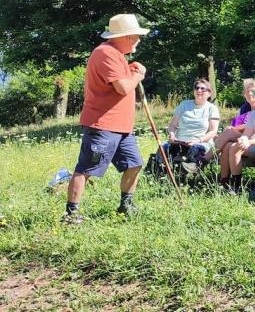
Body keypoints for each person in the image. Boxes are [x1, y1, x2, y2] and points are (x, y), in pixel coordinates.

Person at [63, 14, 149, 224]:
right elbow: (123, 87)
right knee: (86, 169)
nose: (138, 40)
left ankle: (126, 205)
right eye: (136, 36)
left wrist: (130, 68)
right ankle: (71, 214)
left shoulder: (116, 55)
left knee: (134, 164)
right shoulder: (106, 53)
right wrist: (138, 74)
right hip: (103, 125)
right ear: (126, 37)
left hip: (121, 127)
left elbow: (116, 79)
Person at [160, 79, 220, 168]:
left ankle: (188, 172)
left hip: (200, 143)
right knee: (164, 148)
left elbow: (213, 132)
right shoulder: (184, 105)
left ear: (209, 93)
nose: (199, 90)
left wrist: (197, 140)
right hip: (180, 141)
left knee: (194, 150)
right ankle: (160, 171)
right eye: (197, 88)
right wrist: (172, 135)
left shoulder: (212, 108)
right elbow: (172, 125)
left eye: (203, 89)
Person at [211, 78, 255, 159]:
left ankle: (206, 158)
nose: (249, 93)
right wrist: (231, 128)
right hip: (243, 137)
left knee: (228, 133)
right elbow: (237, 124)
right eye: (247, 91)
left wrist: (233, 129)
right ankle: (224, 172)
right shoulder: (244, 108)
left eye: (252, 91)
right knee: (227, 146)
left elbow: (253, 125)